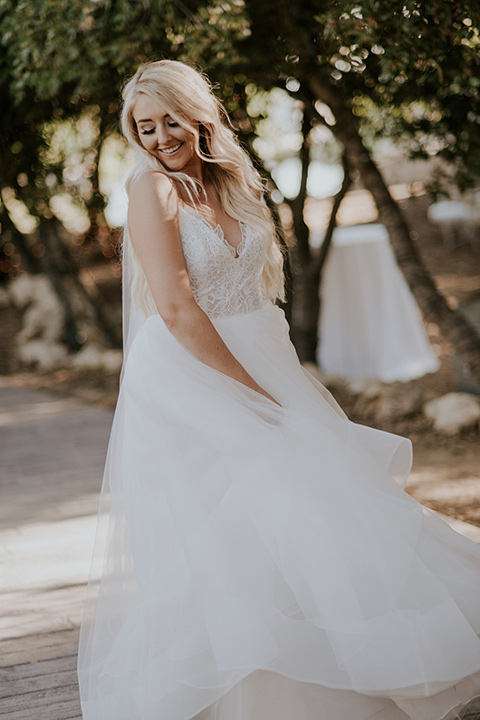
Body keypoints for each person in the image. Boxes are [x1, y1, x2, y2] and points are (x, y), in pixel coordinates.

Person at [77, 59, 480, 720]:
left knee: (317, 504)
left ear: (196, 113)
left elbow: (257, 287)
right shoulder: (152, 189)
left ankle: (368, 667)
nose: (157, 138)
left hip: (261, 351)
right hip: (190, 370)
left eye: (168, 120)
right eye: (143, 126)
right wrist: (252, 397)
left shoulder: (236, 181)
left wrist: (277, 380)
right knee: (248, 519)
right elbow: (177, 309)